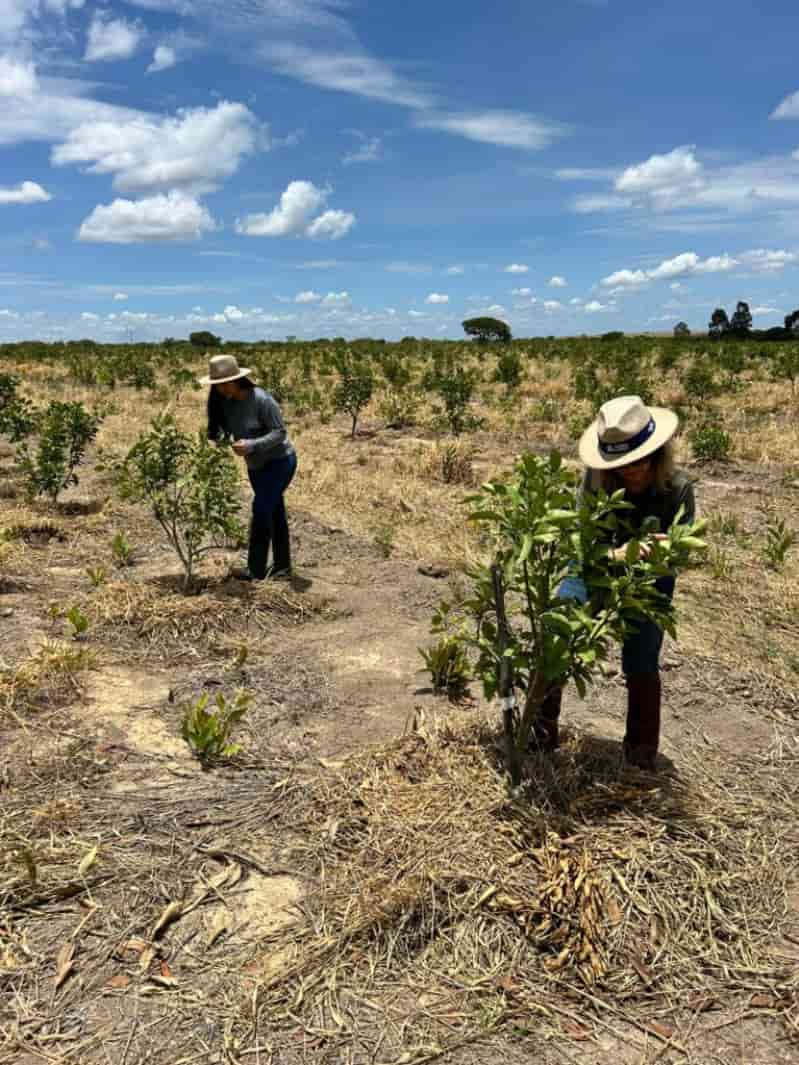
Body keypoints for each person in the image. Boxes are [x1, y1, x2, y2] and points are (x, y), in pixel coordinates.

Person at [534, 394, 696, 770]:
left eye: (638, 461)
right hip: (594, 566)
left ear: (656, 452)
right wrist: (616, 555)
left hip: (649, 578)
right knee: (558, 635)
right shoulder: (595, 479)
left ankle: (640, 756)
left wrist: (665, 551)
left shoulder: (677, 488)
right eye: (621, 464)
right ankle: (537, 736)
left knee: (641, 659)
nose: (630, 471)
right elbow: (581, 542)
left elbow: (683, 552)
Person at [202, 353, 297, 581]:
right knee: (274, 512)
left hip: (279, 462)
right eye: (217, 385)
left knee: (261, 510)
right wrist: (221, 442)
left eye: (224, 383)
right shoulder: (226, 404)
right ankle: (283, 568)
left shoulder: (262, 400)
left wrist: (252, 445)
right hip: (256, 467)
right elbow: (224, 433)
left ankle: (255, 570)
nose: (220, 389)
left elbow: (280, 432)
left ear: (237, 380)